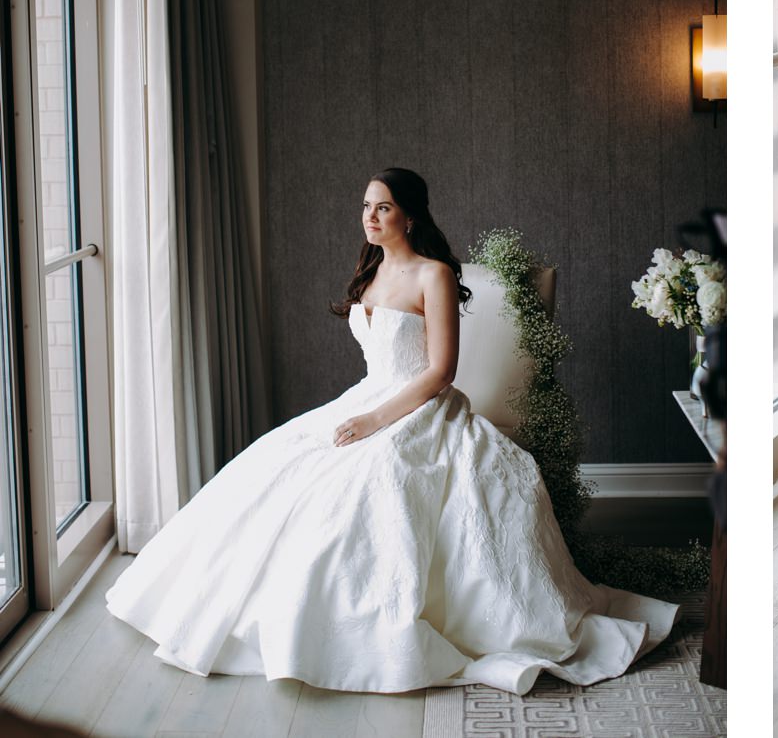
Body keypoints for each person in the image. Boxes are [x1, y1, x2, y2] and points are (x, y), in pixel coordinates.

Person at [106, 167, 676, 693]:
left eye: (383, 208)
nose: (370, 217)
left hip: (422, 406)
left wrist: (378, 421)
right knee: (277, 472)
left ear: (411, 216)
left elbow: (441, 371)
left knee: (378, 477)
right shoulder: (373, 270)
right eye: (366, 206)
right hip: (367, 396)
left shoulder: (436, 274)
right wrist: (362, 413)